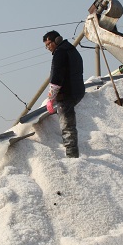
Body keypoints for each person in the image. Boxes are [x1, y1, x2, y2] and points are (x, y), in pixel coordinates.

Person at [43, 30, 85, 158]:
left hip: (66, 94)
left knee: (67, 126)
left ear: (57, 40)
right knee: (69, 124)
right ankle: (73, 154)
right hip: (77, 91)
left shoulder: (60, 53)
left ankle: (72, 156)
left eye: (49, 44)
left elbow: (56, 78)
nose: (48, 48)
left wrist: (51, 98)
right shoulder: (72, 50)